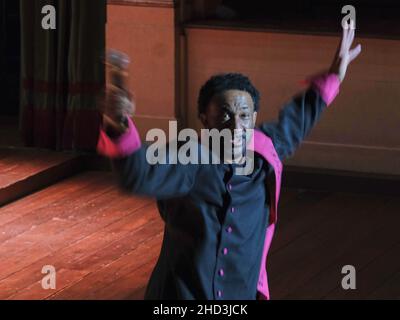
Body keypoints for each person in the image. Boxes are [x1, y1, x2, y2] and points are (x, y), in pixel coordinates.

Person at [97, 27, 361, 300]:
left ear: (253, 116)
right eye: (224, 115)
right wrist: (118, 123)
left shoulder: (265, 152)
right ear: (204, 118)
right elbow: (137, 175)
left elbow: (299, 118)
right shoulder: (189, 160)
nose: (236, 126)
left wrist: (333, 76)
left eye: (244, 115)